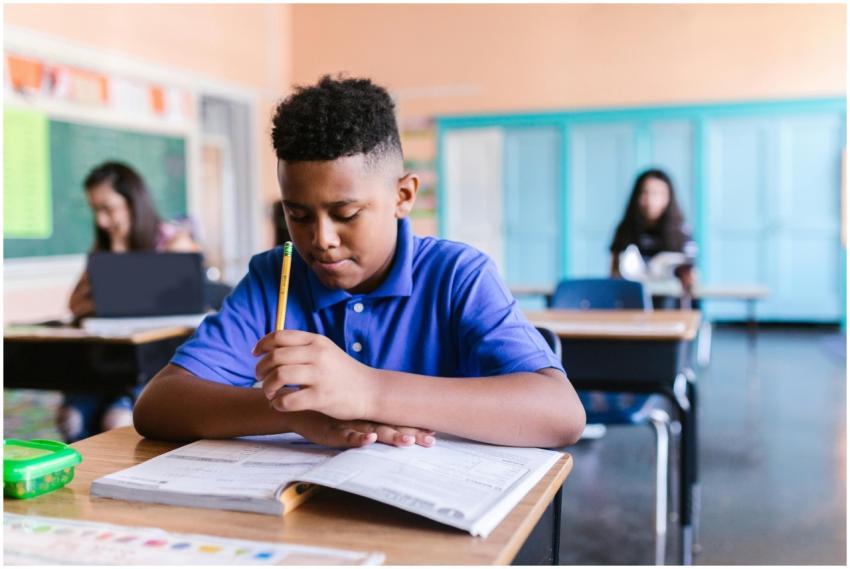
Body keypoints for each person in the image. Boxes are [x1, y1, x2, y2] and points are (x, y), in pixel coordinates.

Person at [134, 75, 585, 449]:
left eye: (346, 214)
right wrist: (298, 414)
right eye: (298, 214)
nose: (321, 240)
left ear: (402, 196)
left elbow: (560, 414)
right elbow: (159, 404)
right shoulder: (276, 276)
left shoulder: (458, 275)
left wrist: (367, 390)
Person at [59, 161, 198, 442]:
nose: (100, 221)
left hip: (156, 364)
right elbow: (75, 304)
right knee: (70, 419)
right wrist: (117, 254)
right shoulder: (104, 247)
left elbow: (182, 307)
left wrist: (112, 296)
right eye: (95, 210)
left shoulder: (173, 244)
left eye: (108, 209)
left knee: (116, 420)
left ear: (133, 202)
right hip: (107, 362)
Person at [609, 168, 698, 306]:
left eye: (657, 194)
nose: (650, 200)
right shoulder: (625, 229)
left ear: (668, 197)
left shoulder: (682, 231)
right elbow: (613, 274)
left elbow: (691, 276)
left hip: (669, 301)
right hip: (633, 299)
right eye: (645, 193)